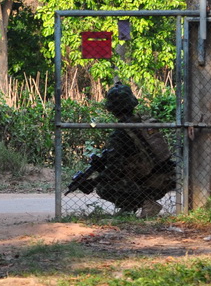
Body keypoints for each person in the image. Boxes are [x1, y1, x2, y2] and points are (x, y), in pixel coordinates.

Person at [68, 82, 176, 217]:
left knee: (104, 188)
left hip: (152, 182)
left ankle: (147, 203)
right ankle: (129, 208)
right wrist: (102, 166)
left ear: (111, 108)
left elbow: (115, 170)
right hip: (166, 177)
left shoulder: (120, 134)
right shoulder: (140, 122)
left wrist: (94, 182)